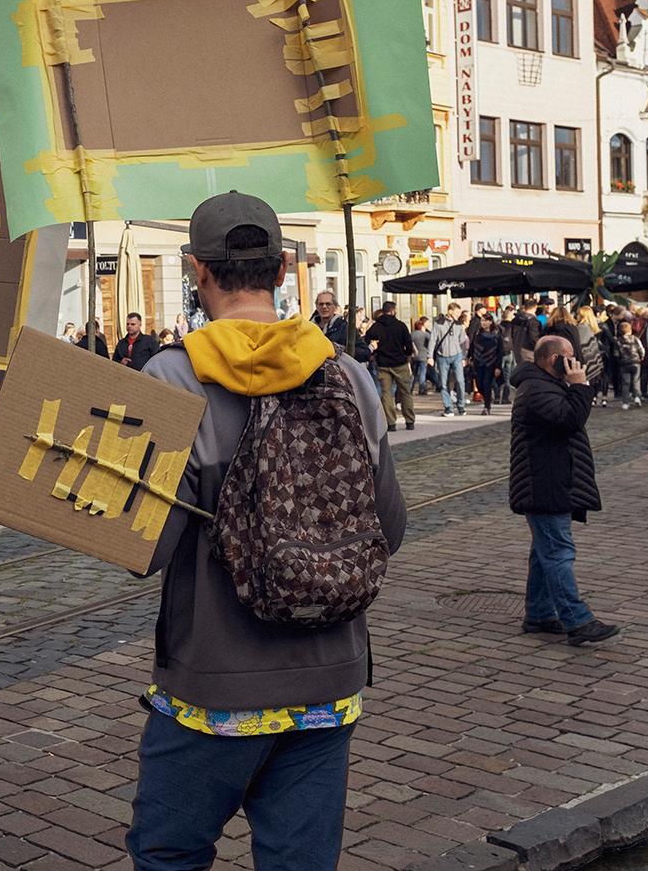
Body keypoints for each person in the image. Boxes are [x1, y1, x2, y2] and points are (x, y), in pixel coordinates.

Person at [133, 192, 406, 871]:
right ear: (283, 270)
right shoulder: (348, 376)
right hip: (329, 682)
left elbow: (152, 548)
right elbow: (390, 529)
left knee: (168, 852)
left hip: (215, 686)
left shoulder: (171, 376)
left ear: (197, 270)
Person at [508, 336, 620, 646]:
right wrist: (581, 386)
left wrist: (575, 387)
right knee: (558, 553)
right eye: (568, 357)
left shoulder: (543, 384)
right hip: (545, 483)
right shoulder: (536, 388)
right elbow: (569, 419)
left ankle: (539, 614)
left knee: (544, 551)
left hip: (552, 480)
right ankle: (578, 620)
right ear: (552, 359)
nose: (574, 362)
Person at [365, 301, 415, 431]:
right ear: (393, 311)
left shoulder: (376, 326)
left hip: (383, 363)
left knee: (386, 394)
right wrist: (406, 354)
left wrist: (375, 351)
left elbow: (365, 340)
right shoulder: (400, 326)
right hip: (400, 363)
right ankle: (409, 421)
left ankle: (391, 423)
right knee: (405, 392)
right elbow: (408, 345)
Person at [431, 305, 468, 416]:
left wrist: (464, 357)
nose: (458, 315)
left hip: (457, 355)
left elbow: (462, 342)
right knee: (444, 383)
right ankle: (448, 407)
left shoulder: (458, 324)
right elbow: (433, 339)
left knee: (460, 381)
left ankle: (461, 405)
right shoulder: (439, 323)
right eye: (456, 312)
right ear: (450, 311)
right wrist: (429, 356)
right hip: (442, 356)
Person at [469, 313, 505, 415]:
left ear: (490, 322)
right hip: (478, 362)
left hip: (491, 363)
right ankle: (488, 398)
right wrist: (469, 357)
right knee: (479, 384)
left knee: (487, 383)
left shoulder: (496, 334)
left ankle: (487, 406)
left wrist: (498, 367)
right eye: (482, 321)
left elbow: (499, 352)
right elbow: (473, 346)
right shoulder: (477, 333)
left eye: (485, 321)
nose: (483, 323)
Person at [575, 305, 608, 407]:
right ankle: (600, 398)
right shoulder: (595, 326)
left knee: (587, 379)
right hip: (598, 354)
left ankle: (590, 398)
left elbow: (582, 345)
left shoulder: (582, 328)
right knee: (597, 378)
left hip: (586, 357)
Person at [617, 319, 644, 409]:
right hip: (635, 362)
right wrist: (641, 357)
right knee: (636, 381)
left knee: (625, 383)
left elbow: (616, 354)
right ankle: (637, 397)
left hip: (624, 363)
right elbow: (641, 349)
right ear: (630, 330)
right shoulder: (635, 339)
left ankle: (625, 403)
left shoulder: (618, 341)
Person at [409, 316, 433, 396]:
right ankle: (422, 389)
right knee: (423, 373)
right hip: (423, 356)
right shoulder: (425, 334)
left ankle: (410, 388)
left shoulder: (412, 334)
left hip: (415, 356)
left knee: (414, 374)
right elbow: (432, 341)